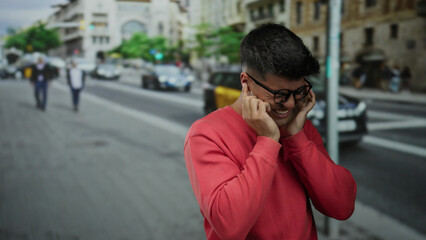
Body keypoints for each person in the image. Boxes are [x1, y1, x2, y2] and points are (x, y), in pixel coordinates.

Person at [184, 23, 356, 240]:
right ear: (246, 82)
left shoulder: (297, 126)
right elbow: (230, 226)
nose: (292, 104)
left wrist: (296, 138)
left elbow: (342, 206)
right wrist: (267, 140)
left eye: (300, 91)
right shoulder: (207, 133)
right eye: (280, 94)